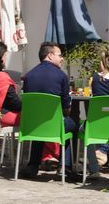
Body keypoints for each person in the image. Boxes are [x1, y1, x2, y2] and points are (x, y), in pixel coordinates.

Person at [20, 42, 79, 180]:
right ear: (50, 55)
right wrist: (66, 113)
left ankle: (33, 165)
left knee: (40, 123)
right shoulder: (61, 76)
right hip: (54, 125)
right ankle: (66, 167)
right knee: (73, 125)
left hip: (32, 125)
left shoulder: (29, 75)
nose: (62, 58)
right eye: (60, 55)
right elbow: (66, 108)